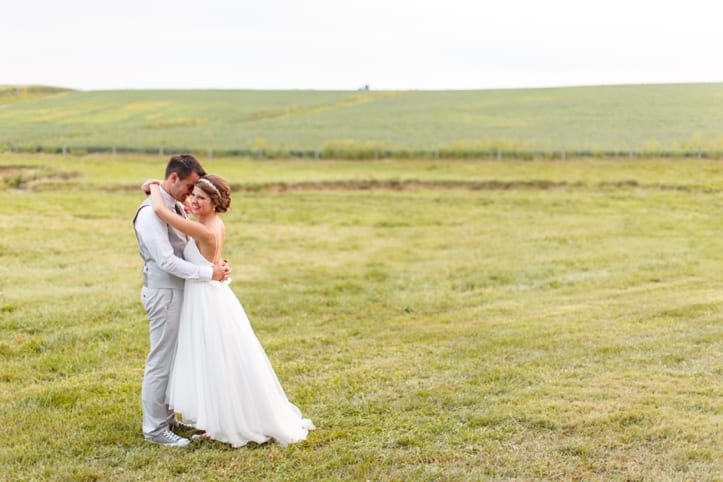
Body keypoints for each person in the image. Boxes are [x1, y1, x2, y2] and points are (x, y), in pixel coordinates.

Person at [143, 174, 314, 448]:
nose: (192, 202)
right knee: (215, 359)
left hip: (206, 298)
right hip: (209, 293)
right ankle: (217, 420)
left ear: (214, 202)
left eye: (201, 198)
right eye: (192, 195)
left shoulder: (203, 230)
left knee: (216, 359)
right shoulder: (210, 223)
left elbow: (161, 211)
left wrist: (152, 186)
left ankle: (229, 421)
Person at [133, 154, 231, 447]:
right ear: (173, 178)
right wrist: (208, 272)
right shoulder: (150, 214)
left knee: (174, 359)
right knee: (161, 361)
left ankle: (168, 418)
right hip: (164, 293)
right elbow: (166, 261)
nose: (191, 194)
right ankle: (154, 429)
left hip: (182, 291)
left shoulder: (172, 205)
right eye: (189, 186)